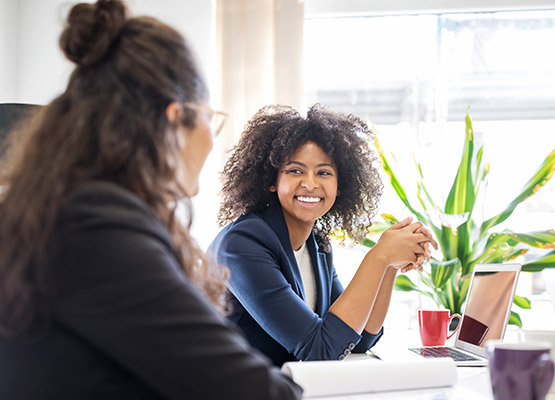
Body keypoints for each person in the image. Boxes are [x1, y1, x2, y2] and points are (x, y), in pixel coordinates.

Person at [0, 1, 302, 399]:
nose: (213, 139)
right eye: (210, 119)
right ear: (176, 119)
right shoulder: (97, 228)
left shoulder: (66, 210)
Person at [209, 104, 438, 367]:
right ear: (272, 181)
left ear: (340, 186)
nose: (310, 183)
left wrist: (389, 266)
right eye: (295, 170)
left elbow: (358, 338)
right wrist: (378, 256)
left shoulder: (316, 244)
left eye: (324, 172)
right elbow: (320, 350)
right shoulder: (242, 244)